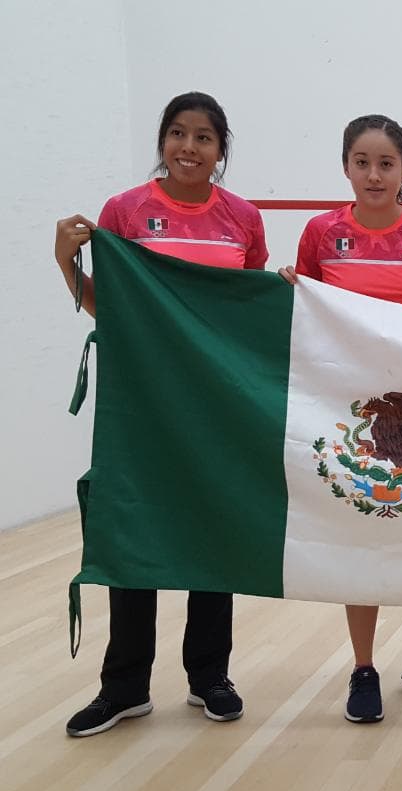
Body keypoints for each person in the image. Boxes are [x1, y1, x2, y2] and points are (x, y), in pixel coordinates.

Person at [54, 91, 264, 736]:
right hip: (141, 401)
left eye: (204, 137)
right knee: (136, 532)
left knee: (214, 531)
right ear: (163, 141)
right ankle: (124, 686)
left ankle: (210, 676)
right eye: (177, 134)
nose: (189, 148)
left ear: (221, 149)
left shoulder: (244, 219)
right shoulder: (125, 211)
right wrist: (66, 259)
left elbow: (244, 311)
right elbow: (110, 305)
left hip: (216, 402)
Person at [281, 114, 402, 723]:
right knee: (359, 532)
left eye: (386, 163)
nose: (374, 174)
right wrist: (290, 288)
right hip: (349, 416)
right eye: (362, 162)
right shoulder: (320, 233)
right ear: (345, 167)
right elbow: (305, 323)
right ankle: (363, 669)